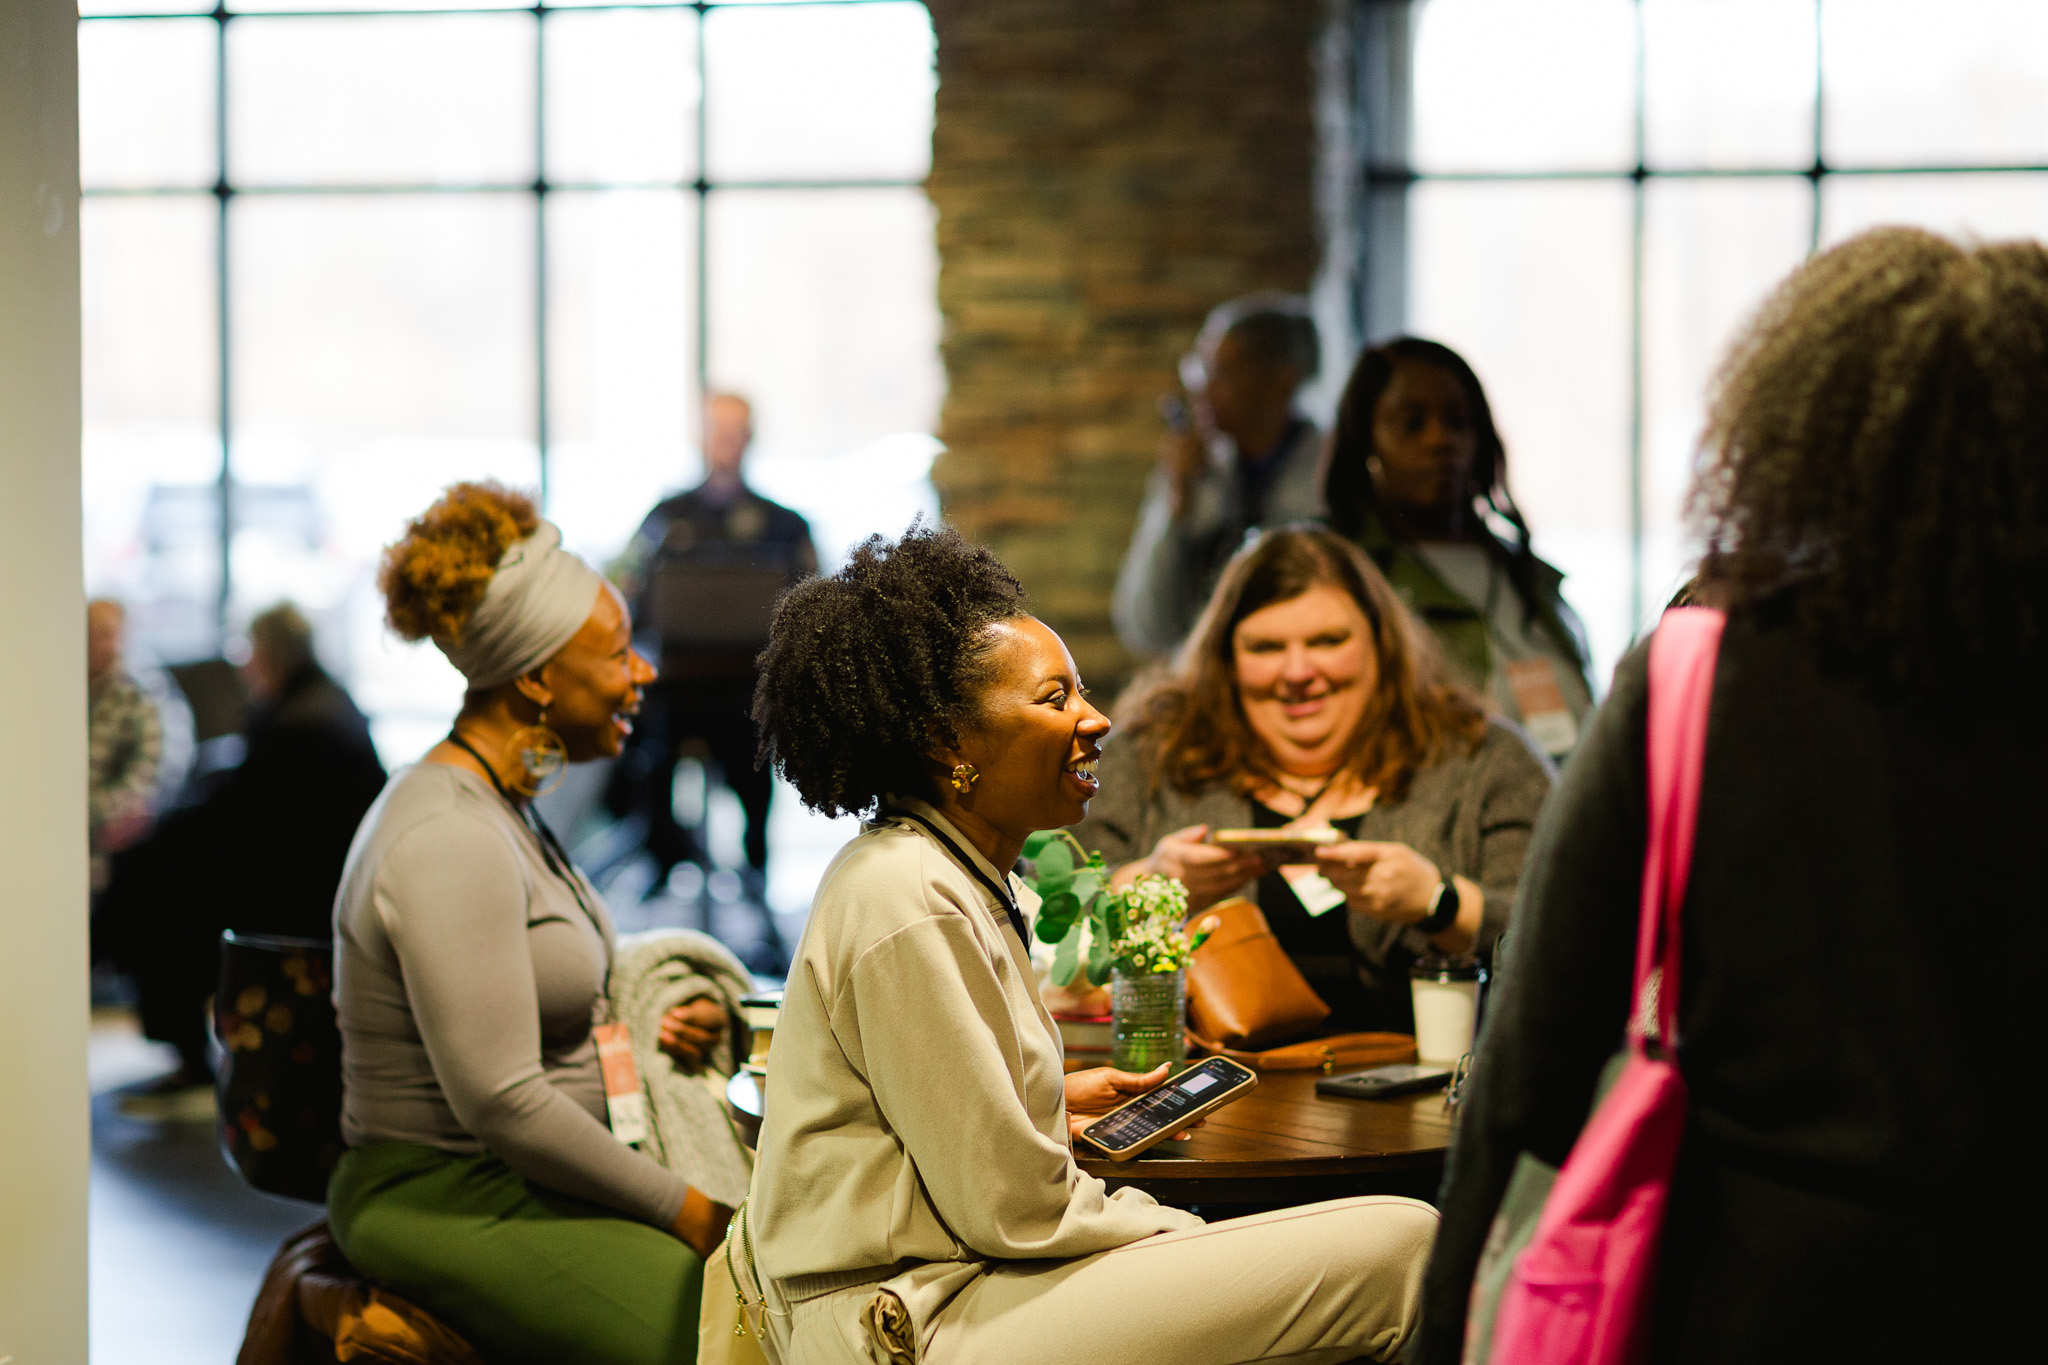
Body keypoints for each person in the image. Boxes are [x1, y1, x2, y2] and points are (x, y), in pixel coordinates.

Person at [1418, 228, 2045, 1363]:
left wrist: (1443, 1326)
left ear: (1803, 433)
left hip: (1758, 1295)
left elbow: (1528, 1071)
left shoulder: (1696, 680)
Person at [742, 521, 1438, 1365]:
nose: (1096, 718)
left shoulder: (946, 872)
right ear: (946, 742)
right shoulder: (908, 895)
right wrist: (1180, 1228)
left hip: (962, 1278)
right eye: (1055, 698)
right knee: (1409, 1245)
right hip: (908, 1319)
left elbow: (945, 1140)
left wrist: (1040, 1105)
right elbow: (1014, 1211)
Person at [329, 482, 733, 1365]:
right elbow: (506, 1103)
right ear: (541, 675)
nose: (645, 671)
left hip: (510, 1176)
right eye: (621, 652)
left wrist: (645, 1028)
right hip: (446, 1193)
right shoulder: (448, 835)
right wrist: (695, 1211)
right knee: (724, 1323)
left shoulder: (501, 804)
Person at [1075, 525, 1553, 1033]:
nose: (1298, 672)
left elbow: (1566, 937)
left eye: (1328, 640)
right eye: (1265, 647)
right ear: (1226, 659)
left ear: (1381, 644)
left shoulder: (1485, 759)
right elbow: (1041, 918)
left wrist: (1440, 903)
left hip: (1435, 1100)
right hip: (1208, 1093)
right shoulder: (1151, 755)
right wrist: (1148, 888)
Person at [98, 601, 387, 1099]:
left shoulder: (303, 723)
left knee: (147, 886)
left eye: (249, 651)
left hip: (299, 893)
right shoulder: (319, 703)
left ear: (270, 654)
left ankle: (185, 1051)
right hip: (310, 877)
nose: (242, 663)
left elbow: (238, 812)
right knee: (148, 870)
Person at [1323, 337, 1593, 759]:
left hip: (1567, 805)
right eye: (1412, 423)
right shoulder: (1343, 577)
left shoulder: (1527, 574)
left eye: (1457, 422)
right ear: (1365, 441)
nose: (1439, 441)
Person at [609, 392, 817, 894]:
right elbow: (623, 589)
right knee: (643, 756)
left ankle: (753, 878)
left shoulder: (785, 526)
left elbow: (815, 610)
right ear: (699, 435)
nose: (725, 439)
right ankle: (664, 859)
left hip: (750, 694)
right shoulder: (665, 517)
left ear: (750, 437)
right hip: (672, 691)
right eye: (716, 427)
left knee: (755, 765)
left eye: (735, 428)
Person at [1113, 293, 1325, 658]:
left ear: (1280, 383)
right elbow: (1145, 627)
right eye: (1198, 370)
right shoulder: (1196, 474)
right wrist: (1177, 503)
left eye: (1219, 373)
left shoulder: (1330, 474)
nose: (1201, 390)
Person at [86, 597, 161, 894]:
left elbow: (152, 766)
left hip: (110, 833)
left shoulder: (139, 691)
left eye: (106, 633)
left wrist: (98, 810)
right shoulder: (66, 686)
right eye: (91, 633)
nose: (98, 644)